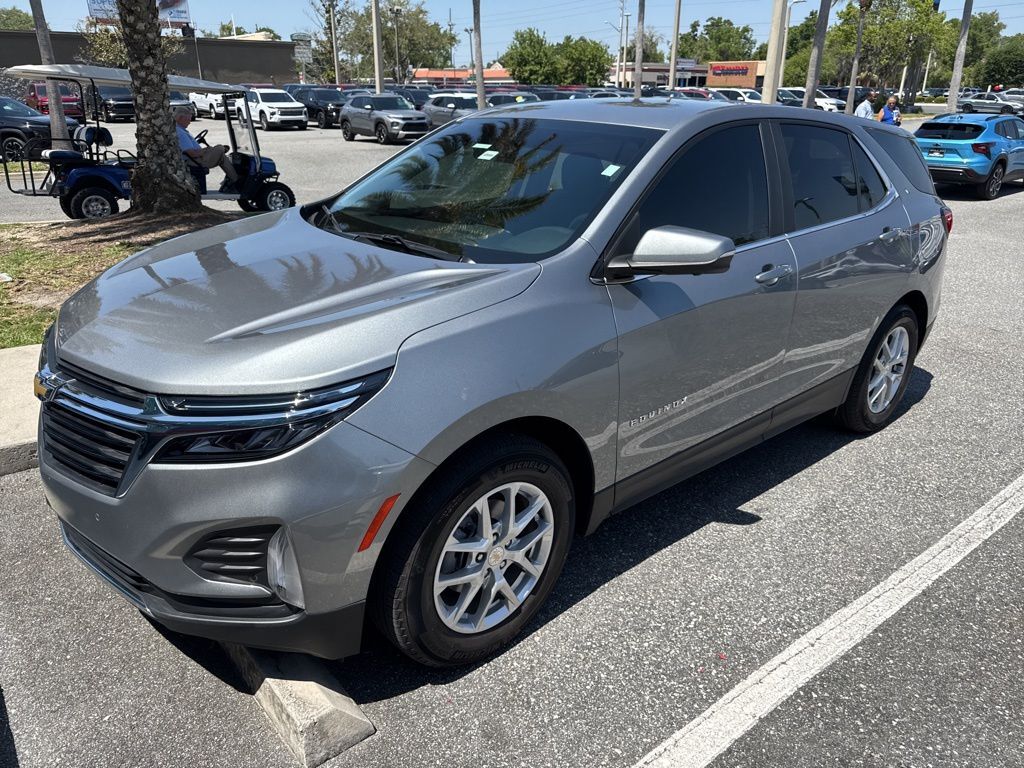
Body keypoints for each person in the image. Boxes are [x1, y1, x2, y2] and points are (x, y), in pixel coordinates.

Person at [173, 105, 239, 192]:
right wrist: (205, 151)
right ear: (180, 118)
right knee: (219, 148)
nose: (190, 122)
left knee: (221, 156)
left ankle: (234, 180)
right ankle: (237, 182)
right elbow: (192, 153)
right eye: (188, 119)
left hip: (195, 159)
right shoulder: (180, 132)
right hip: (195, 161)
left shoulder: (180, 130)